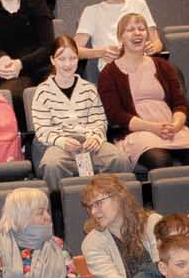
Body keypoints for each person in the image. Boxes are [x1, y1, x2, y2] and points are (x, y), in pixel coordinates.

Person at [98, 13, 189, 170]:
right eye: (130, 30)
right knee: (160, 160)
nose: (137, 33)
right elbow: (115, 115)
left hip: (172, 130)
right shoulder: (109, 73)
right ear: (120, 37)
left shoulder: (163, 66)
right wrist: (153, 128)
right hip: (138, 133)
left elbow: (180, 103)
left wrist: (175, 125)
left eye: (141, 29)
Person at [29, 37, 128, 191]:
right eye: (62, 59)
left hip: (90, 143)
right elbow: (42, 129)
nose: (68, 64)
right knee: (52, 164)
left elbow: (99, 120)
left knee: (120, 159)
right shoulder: (42, 91)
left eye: (72, 58)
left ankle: (114, 206)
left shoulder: (89, 88)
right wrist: (62, 141)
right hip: (61, 145)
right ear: (52, 60)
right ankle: (59, 208)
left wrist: (96, 137)